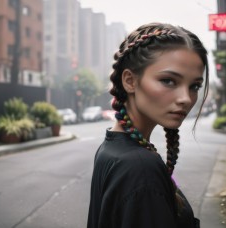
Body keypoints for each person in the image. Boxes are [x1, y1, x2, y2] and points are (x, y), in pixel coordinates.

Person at [87, 22, 209, 228]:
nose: (186, 98)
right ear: (130, 81)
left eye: (194, 86)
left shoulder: (113, 147)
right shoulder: (140, 168)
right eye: (169, 81)